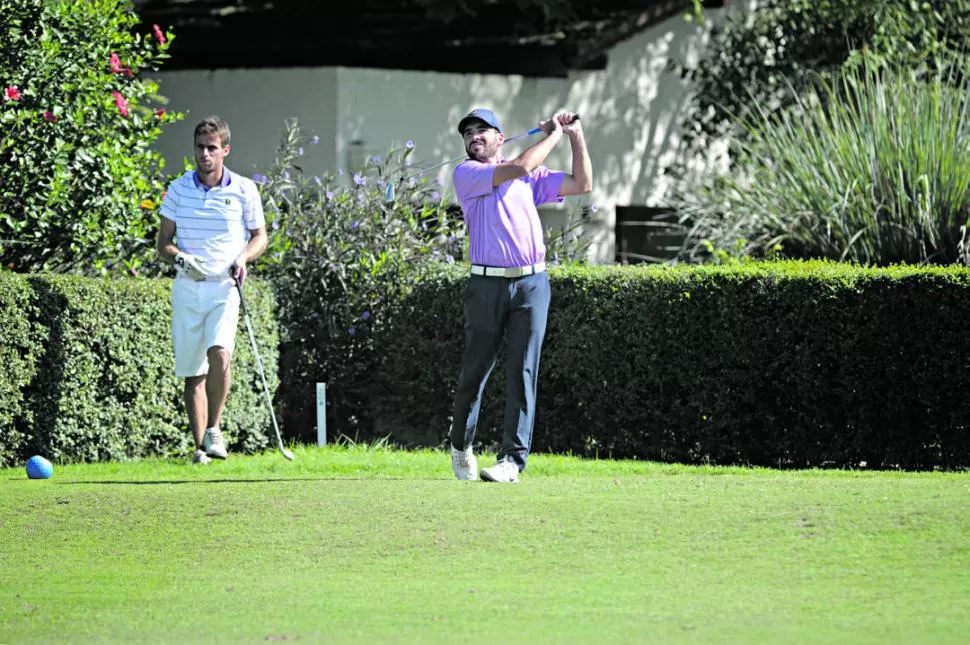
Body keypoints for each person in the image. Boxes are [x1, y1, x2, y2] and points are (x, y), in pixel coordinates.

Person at [448, 107, 592, 482]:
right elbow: (522, 167)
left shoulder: (529, 176)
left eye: (483, 130)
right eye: (468, 134)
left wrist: (575, 135)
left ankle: (512, 460)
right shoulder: (468, 173)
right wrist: (554, 134)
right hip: (486, 284)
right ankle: (461, 445)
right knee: (474, 373)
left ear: (501, 137)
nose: (474, 137)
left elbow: (581, 183)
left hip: (532, 284)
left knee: (523, 370)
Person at [156, 115, 268, 465]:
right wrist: (180, 260)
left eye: (212, 148)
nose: (205, 154)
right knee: (193, 372)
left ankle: (215, 429)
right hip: (189, 288)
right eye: (200, 148)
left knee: (220, 354)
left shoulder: (244, 189)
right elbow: (163, 243)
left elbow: (259, 236)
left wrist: (243, 258)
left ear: (225, 150)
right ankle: (199, 449)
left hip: (224, 286)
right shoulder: (178, 190)